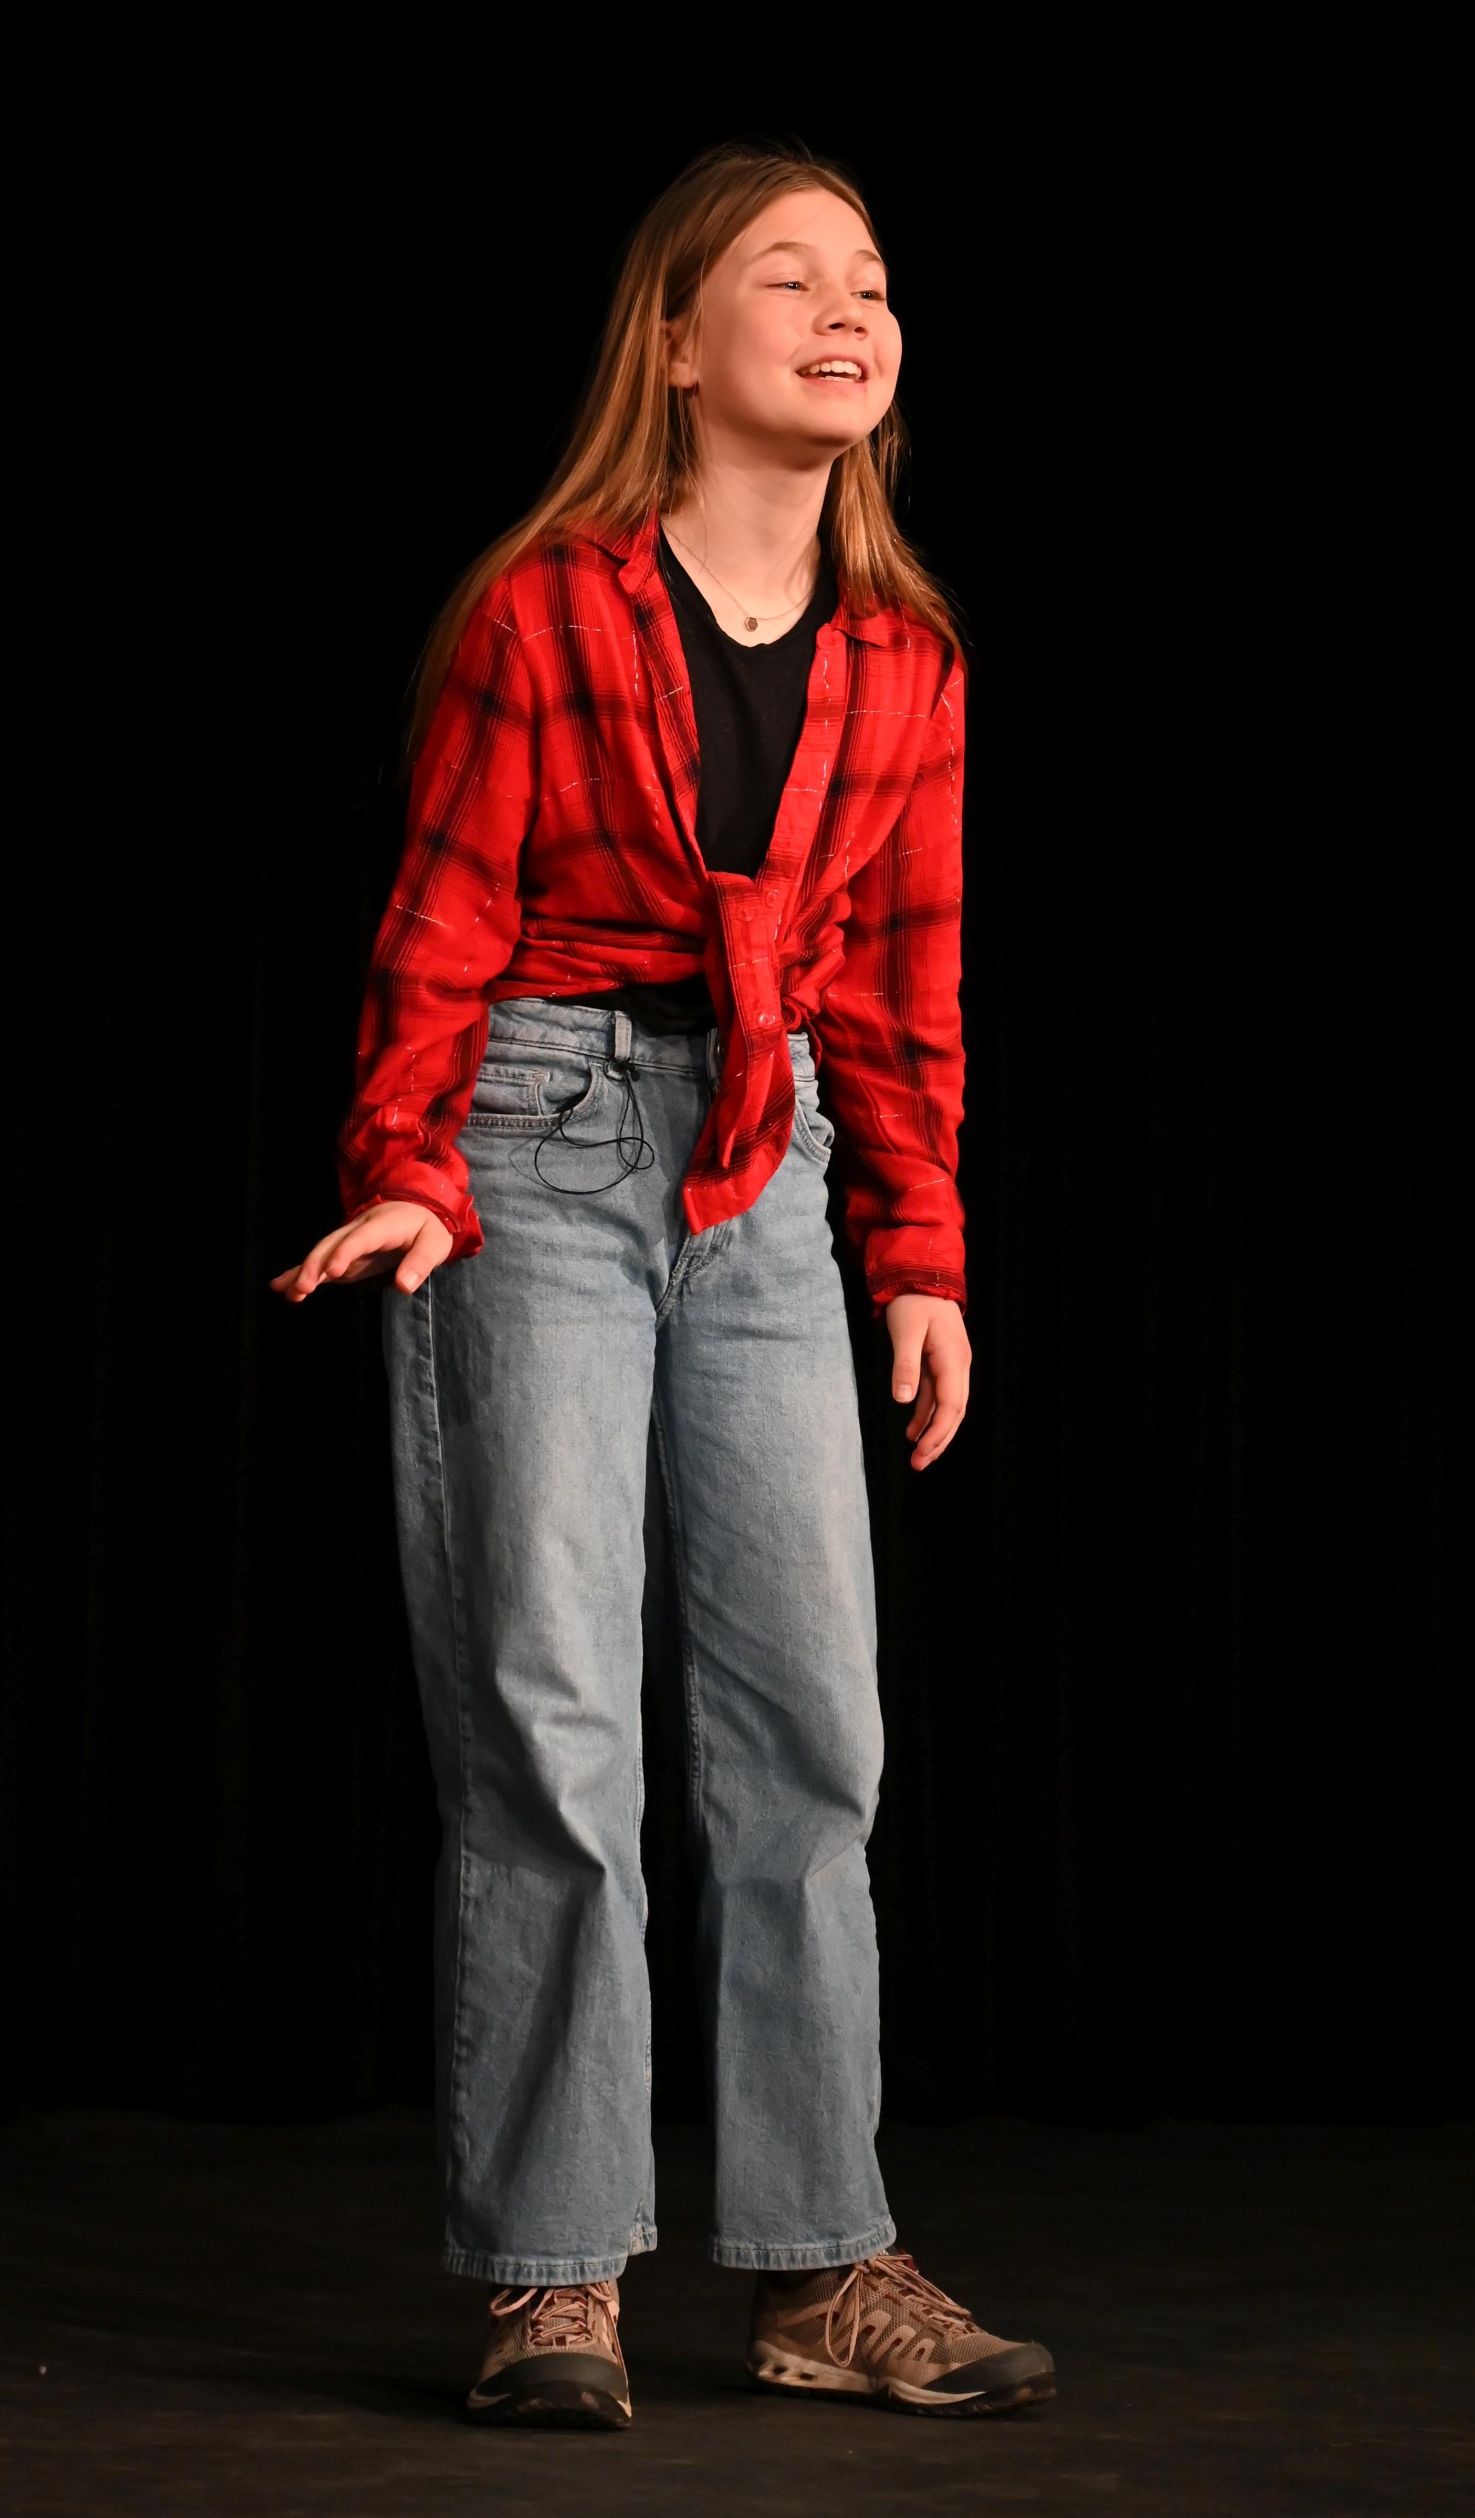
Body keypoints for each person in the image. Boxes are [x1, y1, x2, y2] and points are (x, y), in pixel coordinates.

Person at [272, 141, 1054, 2430]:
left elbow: (898, 991)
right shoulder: (546, 611)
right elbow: (442, 918)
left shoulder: (904, 658)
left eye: (871, 278)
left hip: (765, 1160)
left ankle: (822, 2263)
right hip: (540, 1129)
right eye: (788, 275)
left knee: (812, 1726)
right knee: (552, 1716)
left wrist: (915, 1249)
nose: (848, 308)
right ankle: (556, 2277)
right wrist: (411, 1165)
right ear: (677, 341)